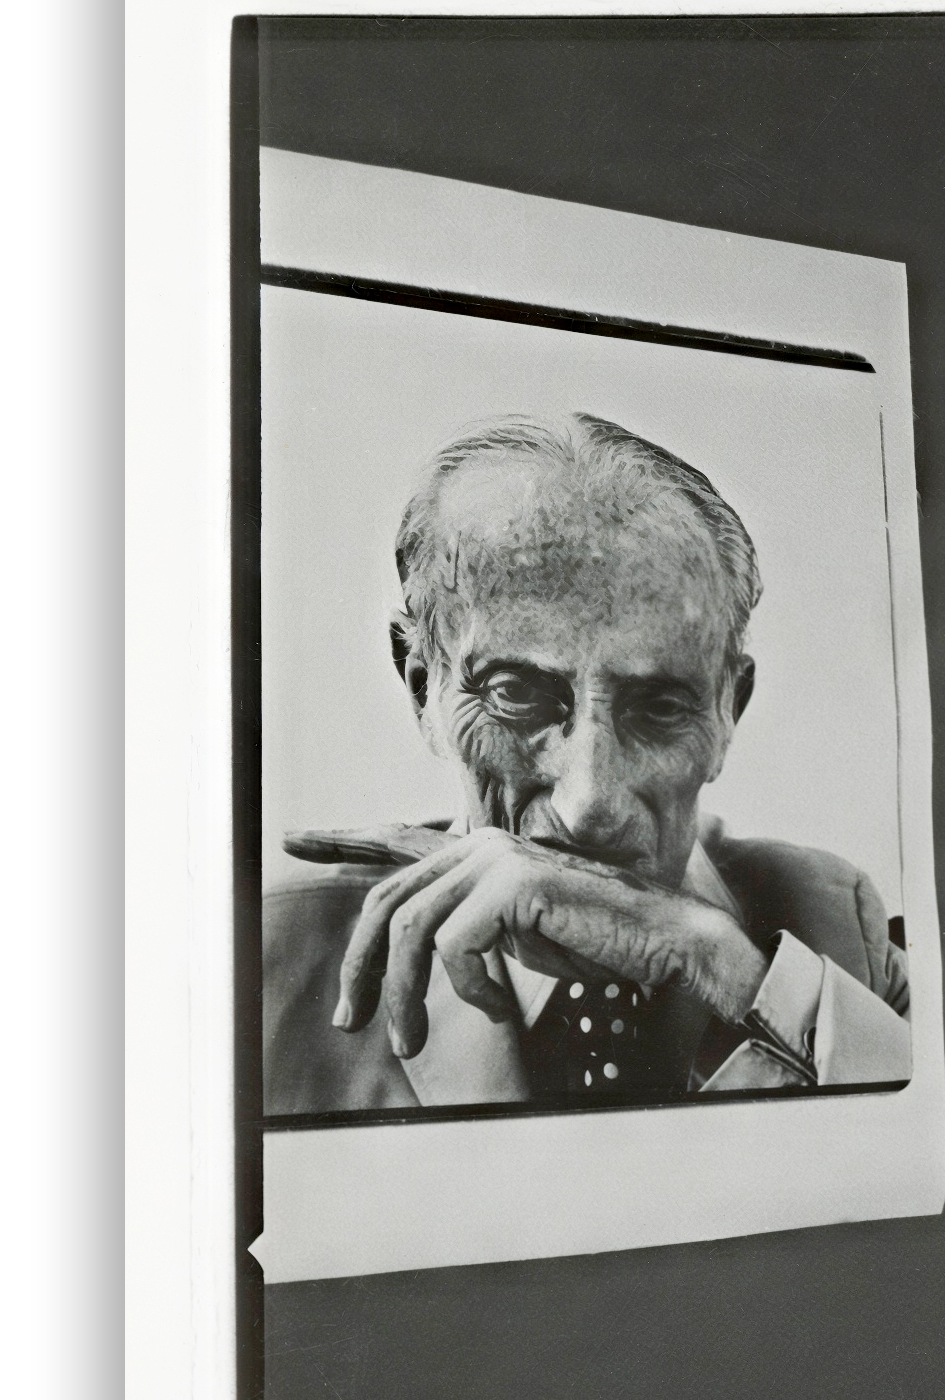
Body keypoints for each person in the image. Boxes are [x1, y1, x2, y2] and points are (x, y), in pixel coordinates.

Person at [263, 412, 911, 1118]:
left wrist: (723, 963)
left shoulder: (833, 917)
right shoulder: (266, 959)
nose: (590, 803)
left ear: (730, 710)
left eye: (659, 706)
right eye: (515, 694)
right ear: (425, 688)